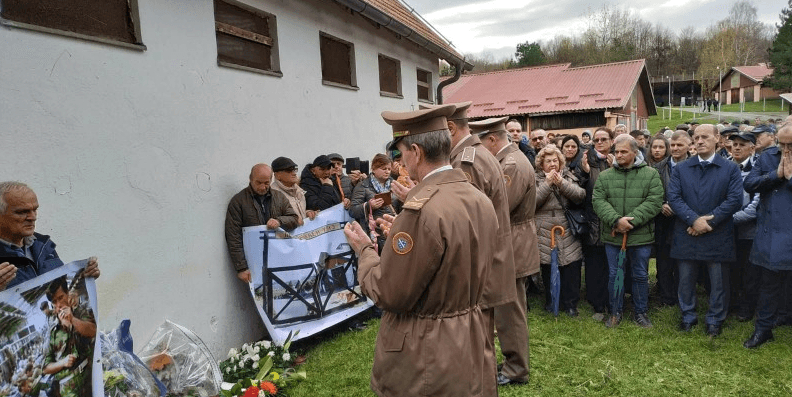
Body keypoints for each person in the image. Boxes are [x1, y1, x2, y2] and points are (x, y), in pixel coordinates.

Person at [343, 104, 498, 396]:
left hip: (427, 353)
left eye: (400, 155)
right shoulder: (477, 198)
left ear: (416, 151)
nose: (401, 163)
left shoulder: (419, 211)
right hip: (470, 340)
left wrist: (364, 250)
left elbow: (389, 292)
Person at [426, 101, 519, 388]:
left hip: (483, 261)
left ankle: (483, 387)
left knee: (481, 340)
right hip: (492, 255)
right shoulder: (478, 153)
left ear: (451, 128)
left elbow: (466, 218)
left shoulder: (466, 160)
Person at [473, 116, 537, 385]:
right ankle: (513, 364)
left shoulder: (511, 164)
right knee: (508, 310)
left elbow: (500, 207)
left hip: (514, 244)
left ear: (491, 139)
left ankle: (516, 369)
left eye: (480, 144)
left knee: (510, 313)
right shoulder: (508, 160)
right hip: (513, 241)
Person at [667, 124, 743, 337]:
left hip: (717, 233)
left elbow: (735, 199)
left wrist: (709, 222)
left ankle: (715, 320)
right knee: (685, 279)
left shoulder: (730, 169)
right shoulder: (682, 168)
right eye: (696, 137)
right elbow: (674, 198)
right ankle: (688, 316)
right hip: (687, 231)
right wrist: (693, 220)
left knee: (719, 282)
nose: (699, 141)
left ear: (717, 138)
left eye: (704, 137)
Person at [593, 135, 664, 328]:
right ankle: (615, 311)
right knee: (615, 274)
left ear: (635, 152)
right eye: (617, 152)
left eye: (624, 151)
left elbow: (655, 201)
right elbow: (598, 201)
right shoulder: (605, 176)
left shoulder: (650, 174)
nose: (619, 155)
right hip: (613, 236)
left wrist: (630, 221)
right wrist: (616, 220)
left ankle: (641, 312)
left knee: (640, 275)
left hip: (640, 236)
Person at [742, 125, 792, 348]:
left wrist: (790, 178)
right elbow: (750, 183)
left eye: (790, 145)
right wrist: (776, 175)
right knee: (769, 283)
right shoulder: (768, 156)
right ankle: (763, 329)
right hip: (772, 230)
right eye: (781, 144)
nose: (785, 150)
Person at [0, 182, 100, 291]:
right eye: (22, 212)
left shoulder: (42, 244)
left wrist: (80, 278)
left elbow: (57, 290)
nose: (32, 217)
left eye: (35, 210)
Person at [224, 164, 300, 283]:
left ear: (271, 180)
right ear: (250, 179)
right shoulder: (238, 201)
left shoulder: (279, 197)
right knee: (262, 296)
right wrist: (241, 268)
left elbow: (294, 219)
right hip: (255, 261)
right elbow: (233, 236)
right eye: (258, 182)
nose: (263, 187)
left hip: (281, 257)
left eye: (266, 183)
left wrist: (279, 221)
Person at [534, 145, 586, 316]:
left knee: (571, 266)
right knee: (549, 267)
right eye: (548, 161)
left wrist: (561, 183)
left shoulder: (569, 176)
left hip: (567, 227)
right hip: (544, 227)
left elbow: (580, 196)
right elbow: (532, 203)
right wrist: (548, 183)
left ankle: (571, 304)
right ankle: (552, 302)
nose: (552, 164)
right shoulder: (534, 180)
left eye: (555, 160)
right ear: (541, 164)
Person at [652, 131, 691, 306]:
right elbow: (651, 192)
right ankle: (666, 296)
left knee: (684, 262)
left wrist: (680, 208)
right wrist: (660, 204)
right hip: (664, 220)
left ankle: (684, 295)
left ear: (688, 146)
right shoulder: (658, 168)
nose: (675, 148)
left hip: (686, 220)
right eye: (673, 145)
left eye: (679, 145)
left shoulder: (694, 166)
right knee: (664, 260)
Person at [42, 275, 97, 397]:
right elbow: (45, 368)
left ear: (68, 294)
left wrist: (72, 319)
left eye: (61, 298)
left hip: (92, 381)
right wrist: (62, 362)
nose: (59, 305)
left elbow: (93, 331)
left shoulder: (82, 312)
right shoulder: (52, 332)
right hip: (69, 391)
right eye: (54, 302)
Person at [581, 127, 615, 319]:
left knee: (613, 267)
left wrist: (614, 169)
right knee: (594, 267)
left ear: (611, 141)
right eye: (596, 140)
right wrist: (585, 174)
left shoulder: (617, 161)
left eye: (603, 139)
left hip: (613, 223)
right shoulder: (586, 162)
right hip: (593, 222)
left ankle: (614, 302)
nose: (600, 143)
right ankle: (597, 304)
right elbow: (579, 193)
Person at [727, 132, 760, 322]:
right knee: (730, 270)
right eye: (734, 144)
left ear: (752, 148)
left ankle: (747, 308)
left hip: (749, 232)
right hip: (726, 231)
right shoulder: (725, 166)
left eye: (742, 144)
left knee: (749, 272)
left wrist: (724, 219)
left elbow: (756, 204)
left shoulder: (758, 169)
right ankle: (730, 304)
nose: (737, 148)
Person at [349, 154, 398, 252]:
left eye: (389, 169)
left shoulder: (394, 184)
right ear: (374, 169)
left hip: (394, 230)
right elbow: (352, 210)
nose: (387, 171)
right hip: (374, 235)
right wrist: (368, 206)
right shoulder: (363, 186)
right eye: (383, 168)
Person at [270, 157, 317, 223]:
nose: (294, 173)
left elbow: (298, 215)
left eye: (294, 170)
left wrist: (307, 213)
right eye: (289, 171)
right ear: (277, 175)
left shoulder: (299, 191)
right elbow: (275, 221)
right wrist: (294, 221)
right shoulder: (272, 195)